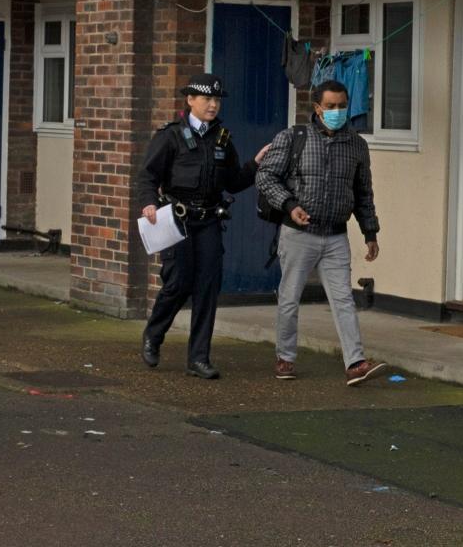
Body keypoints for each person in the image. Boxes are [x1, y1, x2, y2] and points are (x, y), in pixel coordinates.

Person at [136, 73, 270, 379]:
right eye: (207, 99)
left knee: (207, 287)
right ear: (190, 100)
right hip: (177, 218)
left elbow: (234, 182)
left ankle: (198, 358)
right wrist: (149, 203)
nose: (213, 105)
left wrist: (255, 165)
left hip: (208, 219)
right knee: (178, 283)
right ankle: (153, 335)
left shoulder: (222, 139)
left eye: (217, 100)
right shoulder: (170, 136)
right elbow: (147, 177)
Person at [255, 80, 385, 386]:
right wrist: (289, 206)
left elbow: (363, 192)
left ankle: (355, 362)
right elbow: (266, 177)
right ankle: (285, 358)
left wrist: (370, 231)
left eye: (342, 105)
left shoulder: (356, 145)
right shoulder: (292, 138)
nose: (337, 111)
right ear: (317, 108)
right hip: (298, 232)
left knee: (343, 300)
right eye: (330, 106)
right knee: (289, 298)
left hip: (336, 235)